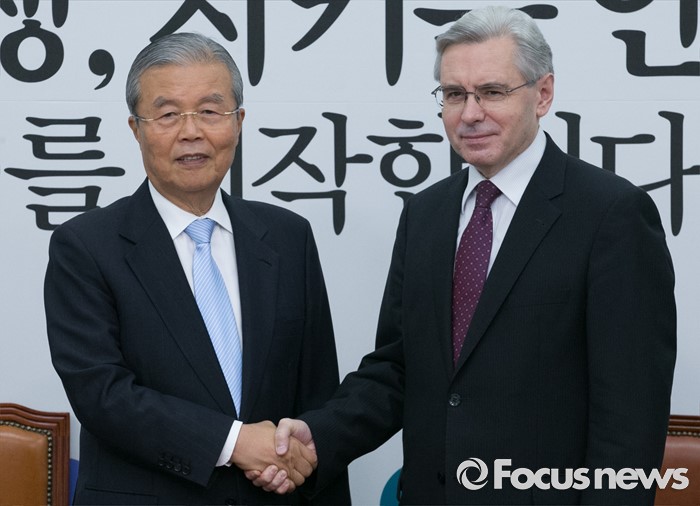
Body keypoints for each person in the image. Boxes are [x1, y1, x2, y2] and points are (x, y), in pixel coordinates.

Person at [250, 6, 676, 505]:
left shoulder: (612, 215)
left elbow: (629, 419)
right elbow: (398, 368)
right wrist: (319, 436)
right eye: (454, 94)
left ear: (543, 94)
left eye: (492, 92)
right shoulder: (425, 214)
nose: (470, 114)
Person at [44, 32, 350, 505]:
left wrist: (301, 459)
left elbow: (317, 395)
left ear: (238, 122)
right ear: (136, 128)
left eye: (210, 111)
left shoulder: (288, 237)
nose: (191, 132)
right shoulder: (86, 246)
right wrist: (234, 442)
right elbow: (102, 394)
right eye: (168, 114)